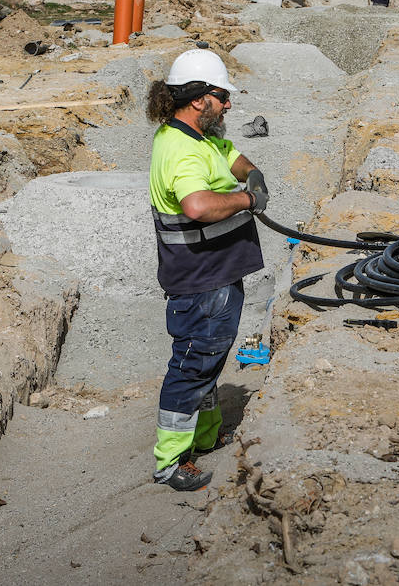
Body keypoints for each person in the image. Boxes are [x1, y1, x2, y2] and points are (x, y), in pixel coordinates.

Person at [145, 48, 267, 492]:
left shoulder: (202, 137)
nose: (229, 103)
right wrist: (247, 199)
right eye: (222, 96)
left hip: (216, 276)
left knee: (209, 360)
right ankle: (170, 460)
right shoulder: (180, 148)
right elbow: (197, 206)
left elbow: (232, 157)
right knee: (193, 365)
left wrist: (251, 174)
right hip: (201, 281)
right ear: (198, 99)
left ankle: (204, 434)